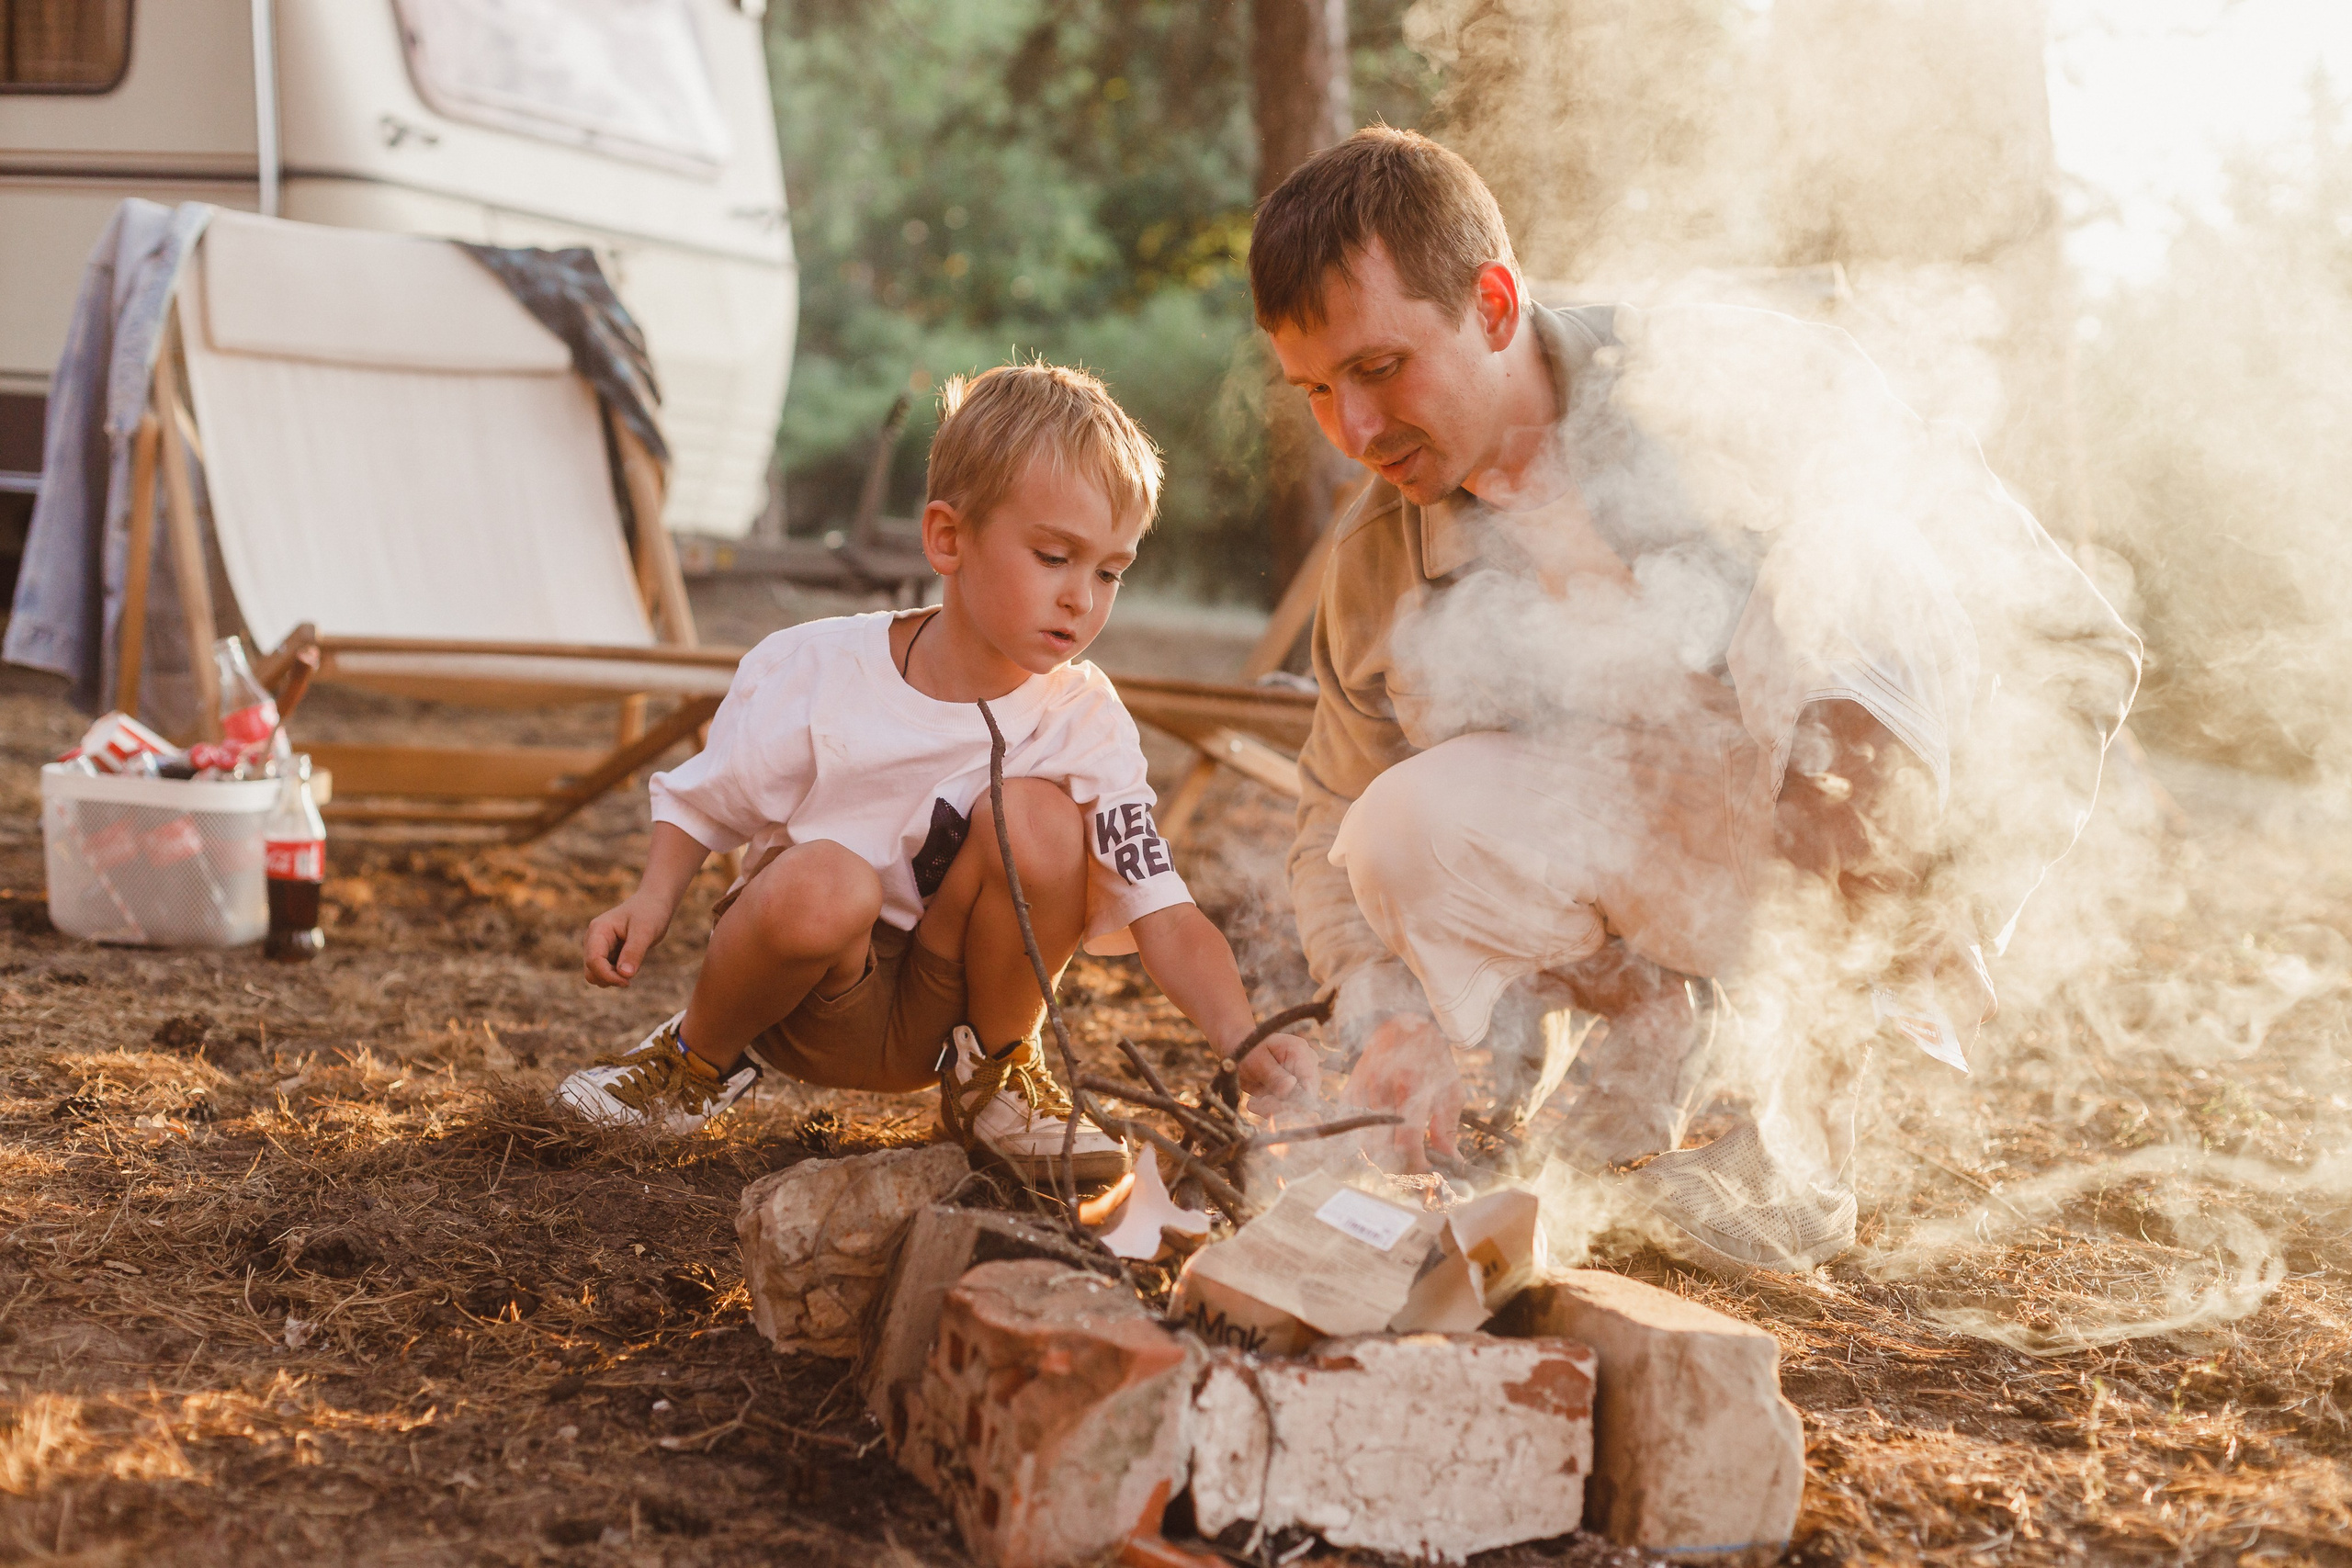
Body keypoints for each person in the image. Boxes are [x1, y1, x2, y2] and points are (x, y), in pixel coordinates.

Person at [1253, 130, 2141, 1273]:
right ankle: (1645, 1052)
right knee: (1391, 827)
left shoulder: (1736, 384)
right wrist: (1389, 1023)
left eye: (1379, 369)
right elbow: (1330, 815)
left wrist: (1971, 889)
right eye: (1316, 391)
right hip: (1673, 892)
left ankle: (1798, 1145)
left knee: (1850, 551)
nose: (1355, 432)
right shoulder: (1380, 553)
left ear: (1490, 301)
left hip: (1872, 870)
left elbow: (2074, 638)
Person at [554, 362, 1318, 1181]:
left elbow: (1163, 909)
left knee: (1042, 818)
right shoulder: (817, 667)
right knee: (828, 879)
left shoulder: (1083, 722)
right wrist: (651, 897)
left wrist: (1241, 1036)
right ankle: (690, 1062)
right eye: (1055, 556)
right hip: (809, 998)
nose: (1082, 599)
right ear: (948, 539)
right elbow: (709, 802)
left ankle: (997, 1078)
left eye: (1109, 572)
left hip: (951, 1011)